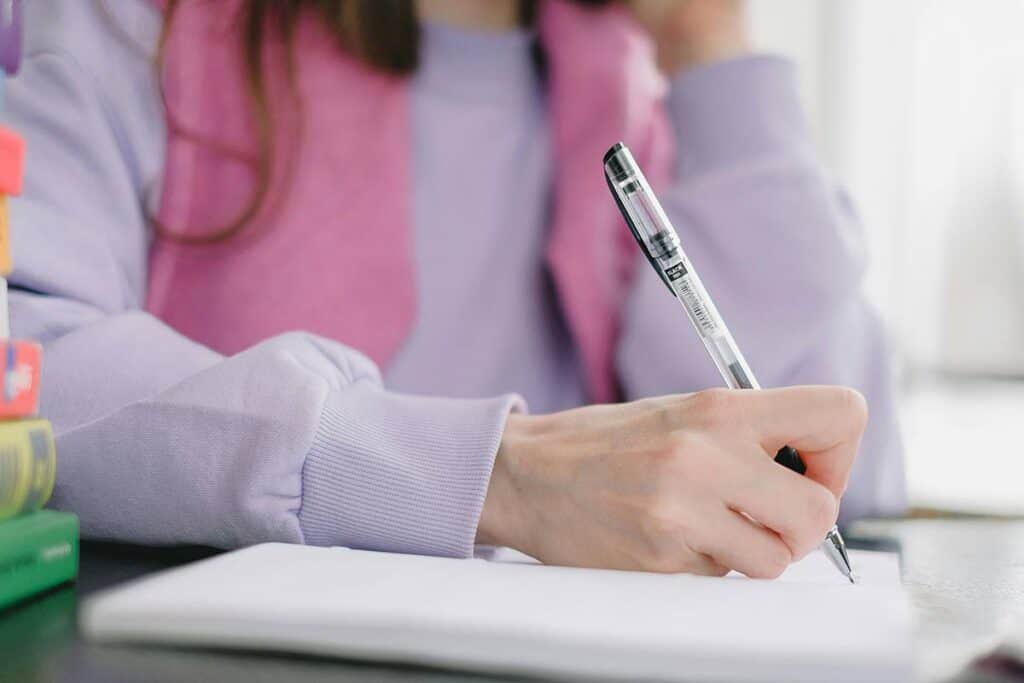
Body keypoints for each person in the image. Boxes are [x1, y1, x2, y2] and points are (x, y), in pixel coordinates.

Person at [7, 0, 905, 579]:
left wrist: (710, 44)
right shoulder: (128, 26)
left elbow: (830, 467)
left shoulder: (627, 91)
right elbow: (27, 373)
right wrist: (499, 477)